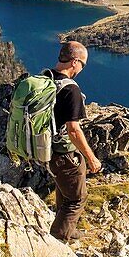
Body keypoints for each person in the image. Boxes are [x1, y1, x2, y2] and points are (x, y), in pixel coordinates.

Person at [48, 40, 102, 242]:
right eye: (83, 65)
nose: (82, 69)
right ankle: (57, 240)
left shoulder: (46, 78)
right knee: (77, 199)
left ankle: (68, 230)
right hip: (65, 154)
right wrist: (91, 158)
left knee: (65, 192)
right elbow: (73, 130)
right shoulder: (71, 90)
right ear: (75, 62)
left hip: (47, 150)